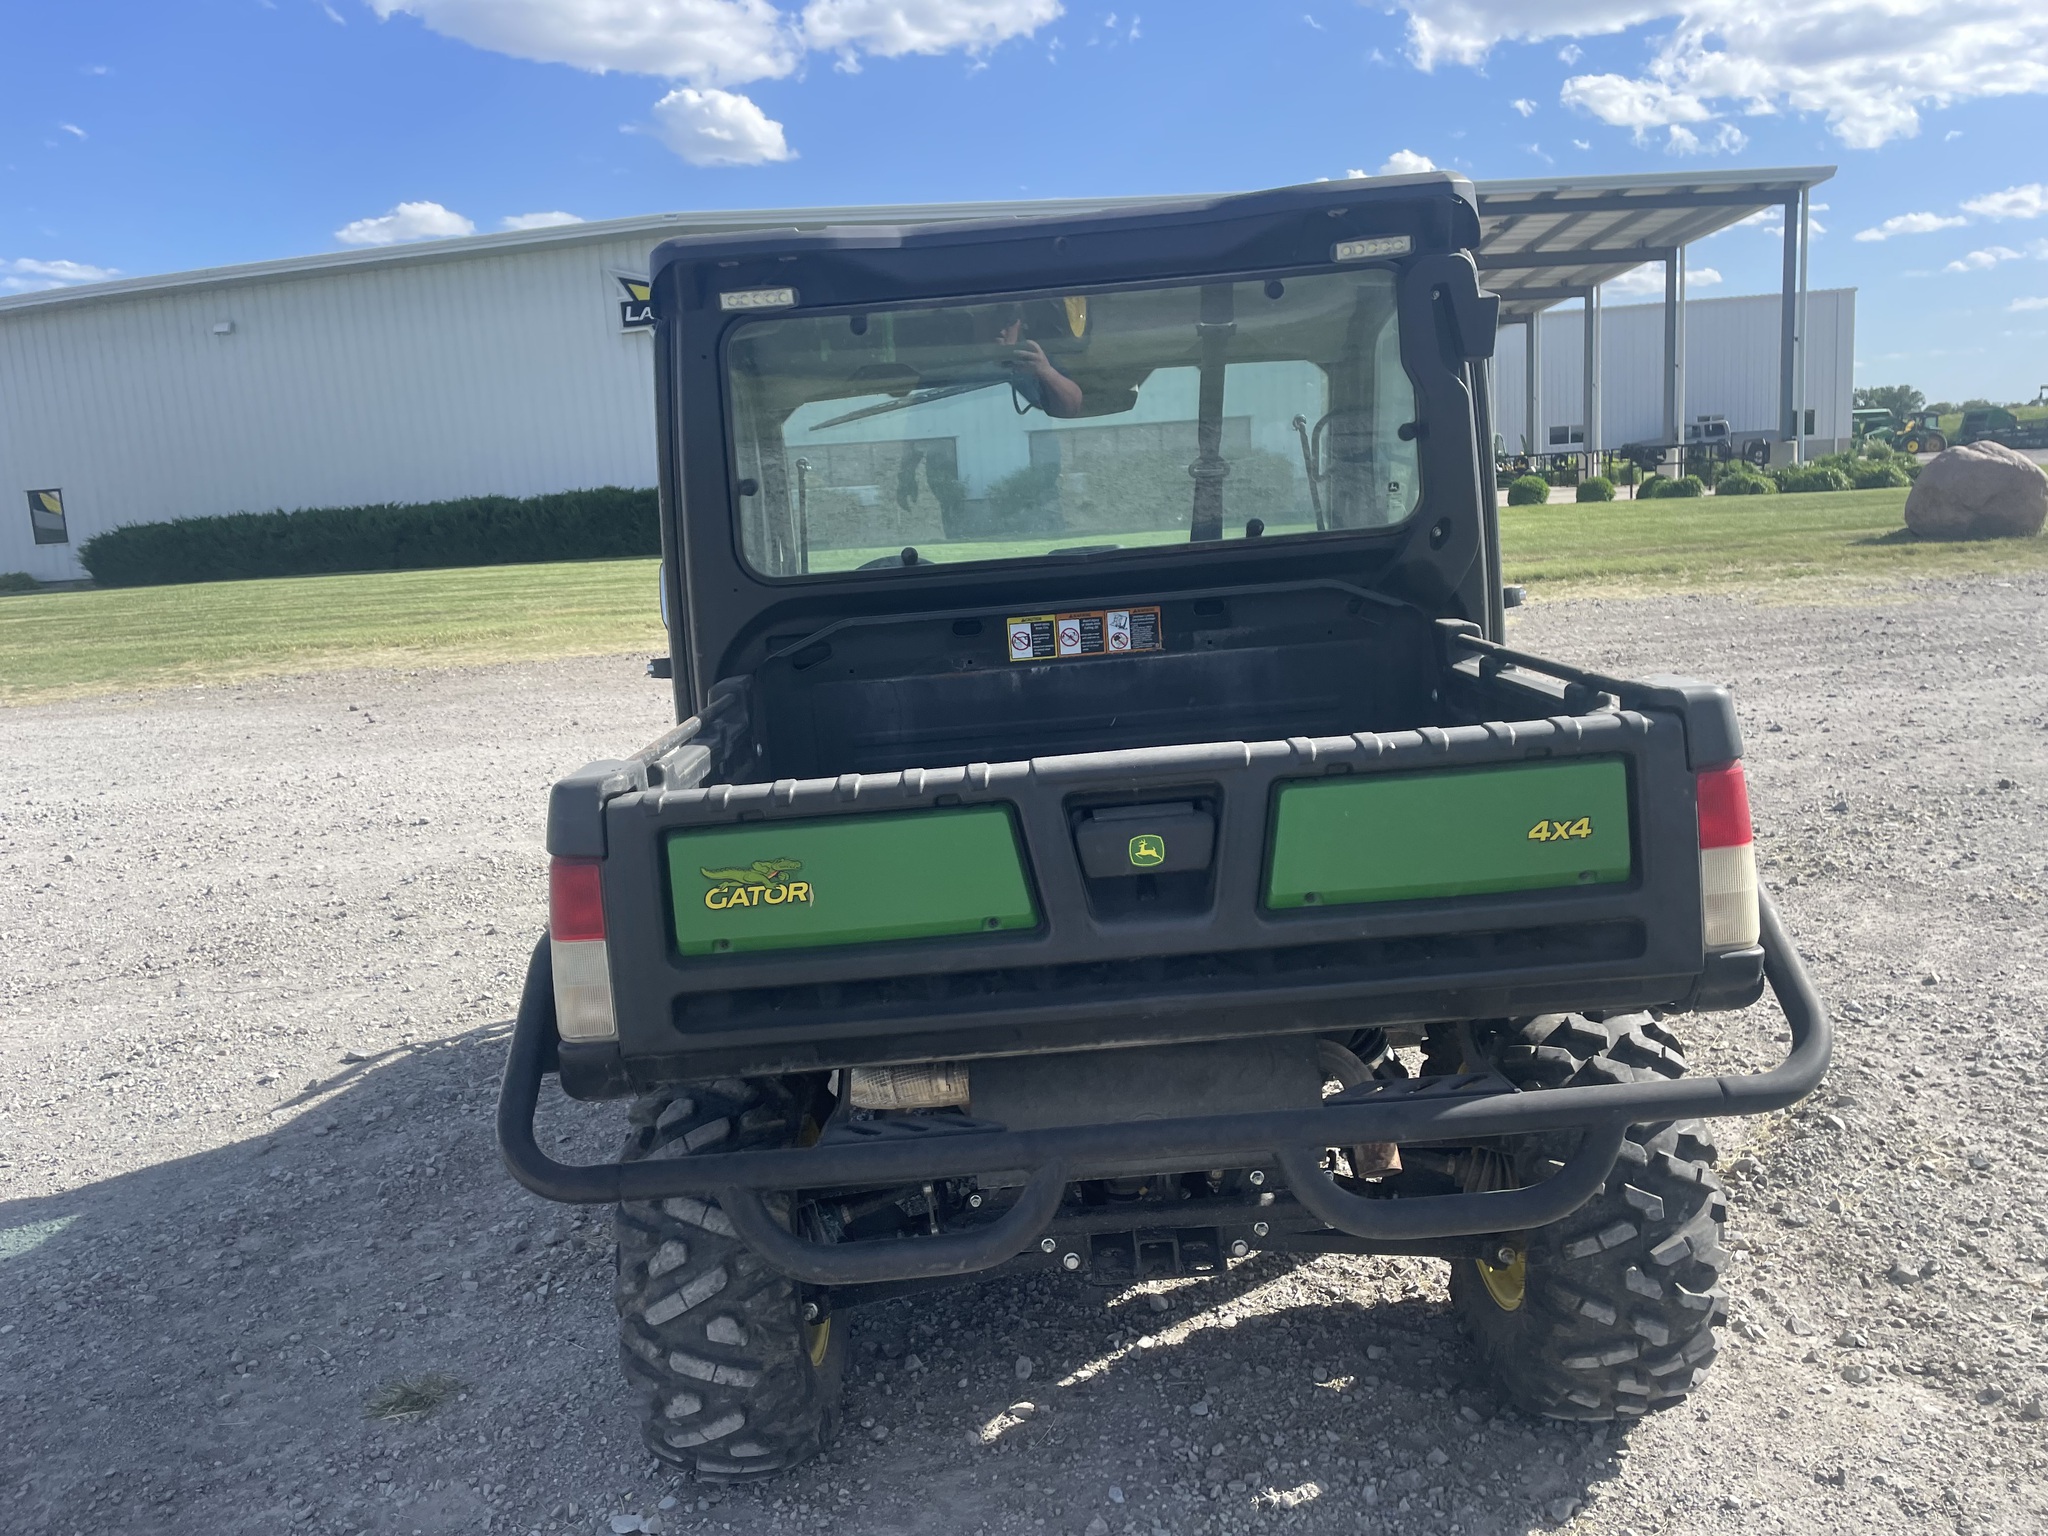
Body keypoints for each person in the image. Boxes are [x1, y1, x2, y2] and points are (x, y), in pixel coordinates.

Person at [991, 304, 1084, 418]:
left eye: (1008, 321)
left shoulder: (1032, 362)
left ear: (1019, 325)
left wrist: (1045, 371)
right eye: (993, 320)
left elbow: (1072, 406)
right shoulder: (964, 363)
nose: (1001, 330)